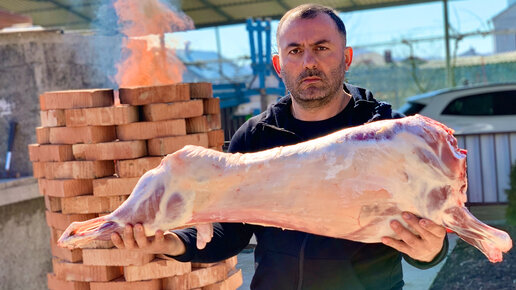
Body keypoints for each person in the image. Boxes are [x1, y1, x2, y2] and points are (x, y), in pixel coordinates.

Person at [111, 4, 448, 289]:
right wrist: (169, 242)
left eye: (321, 47)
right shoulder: (255, 138)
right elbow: (230, 231)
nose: (308, 62)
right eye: (295, 51)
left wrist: (431, 250)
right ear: (279, 65)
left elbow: (426, 229)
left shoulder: (389, 135)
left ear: (346, 57)